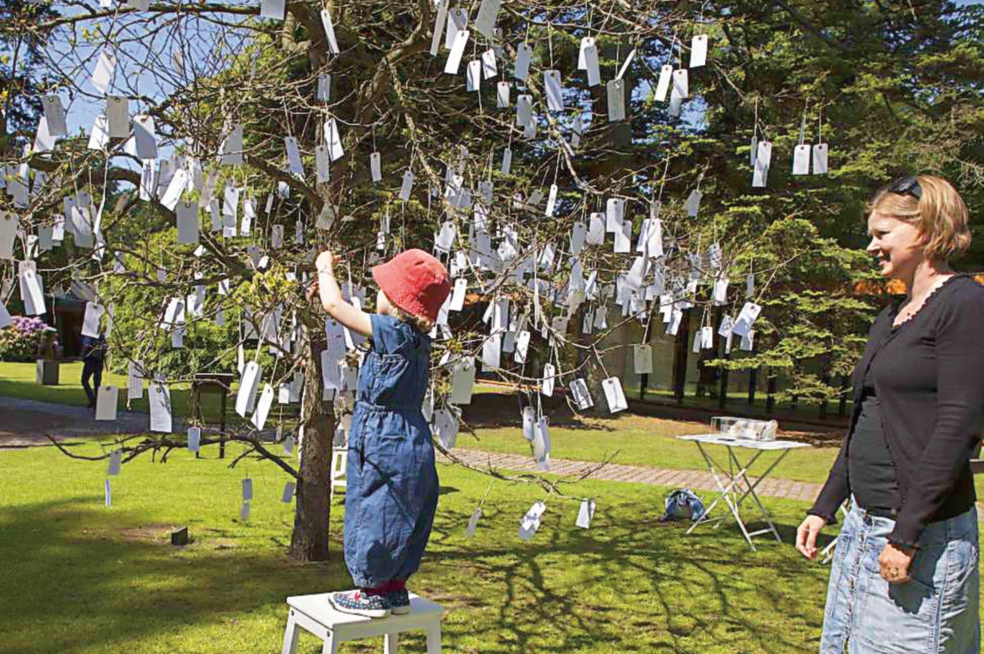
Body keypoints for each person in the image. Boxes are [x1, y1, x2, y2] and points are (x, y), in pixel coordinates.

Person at [796, 175, 983, 653]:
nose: (870, 246)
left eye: (882, 234)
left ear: (925, 231)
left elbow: (960, 424)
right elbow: (866, 416)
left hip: (920, 535)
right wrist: (826, 505)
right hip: (862, 525)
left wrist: (906, 535)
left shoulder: (965, 304)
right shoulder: (893, 313)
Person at [308, 247, 450, 619]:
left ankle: (371, 589)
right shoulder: (420, 343)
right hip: (413, 435)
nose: (377, 296)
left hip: (382, 435)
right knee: (404, 506)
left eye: (383, 290)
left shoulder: (392, 332)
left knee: (373, 503)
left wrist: (324, 269)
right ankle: (393, 587)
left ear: (398, 300)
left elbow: (335, 307)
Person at [80, 333, 107, 409]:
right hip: (99, 361)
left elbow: (86, 345)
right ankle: (97, 402)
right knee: (97, 383)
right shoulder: (102, 336)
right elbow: (105, 348)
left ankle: (91, 398)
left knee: (84, 380)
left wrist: (82, 355)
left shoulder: (90, 334)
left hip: (90, 360)